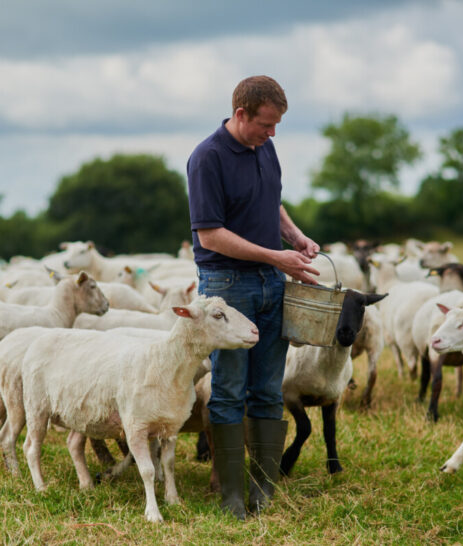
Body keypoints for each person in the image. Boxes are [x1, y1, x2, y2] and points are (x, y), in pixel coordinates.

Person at [186, 75, 321, 519]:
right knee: (227, 390)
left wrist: (295, 237)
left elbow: (271, 203)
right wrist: (274, 257)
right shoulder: (207, 158)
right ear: (240, 114)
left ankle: (263, 487)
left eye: (277, 125)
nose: (273, 133)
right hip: (227, 286)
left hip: (271, 282)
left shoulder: (265, 148)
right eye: (266, 124)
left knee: (267, 389)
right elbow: (211, 234)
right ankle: (230, 494)